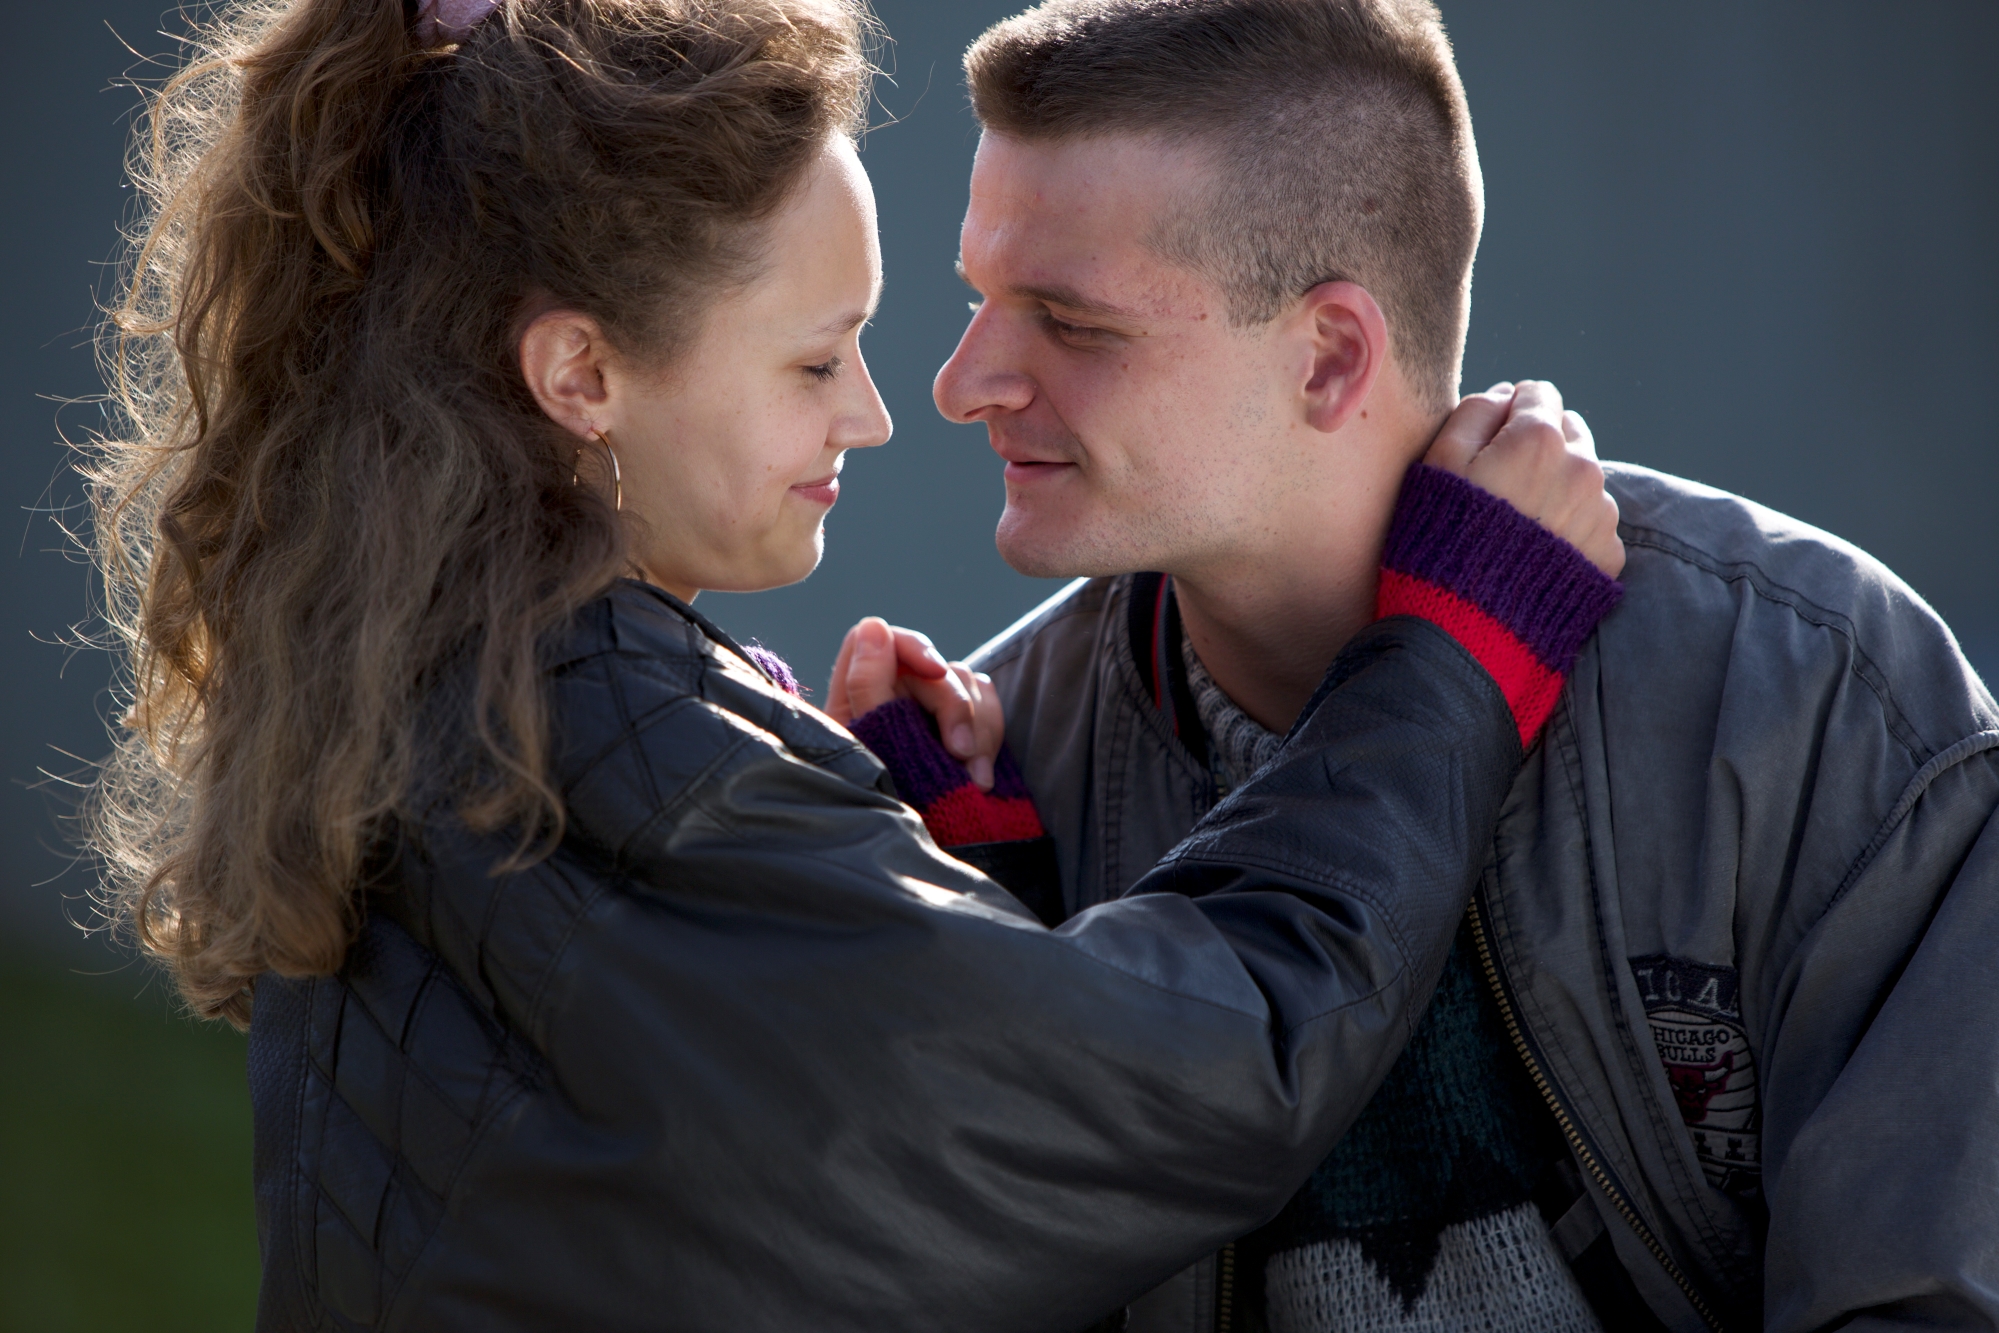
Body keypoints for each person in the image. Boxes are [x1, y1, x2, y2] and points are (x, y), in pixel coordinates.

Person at [82, 1, 1627, 1330]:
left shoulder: (444, 684)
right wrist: (1454, 649)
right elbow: (1213, 1075)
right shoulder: (631, 771)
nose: (884, 412)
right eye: (817, 359)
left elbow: (830, 1218)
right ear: (583, 376)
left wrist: (949, 893)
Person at [869, 0, 1999, 1329]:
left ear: (1332, 356)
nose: (960, 382)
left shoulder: (1809, 703)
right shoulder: (990, 783)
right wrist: (950, 959)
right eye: (976, 300)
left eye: (1069, 319)